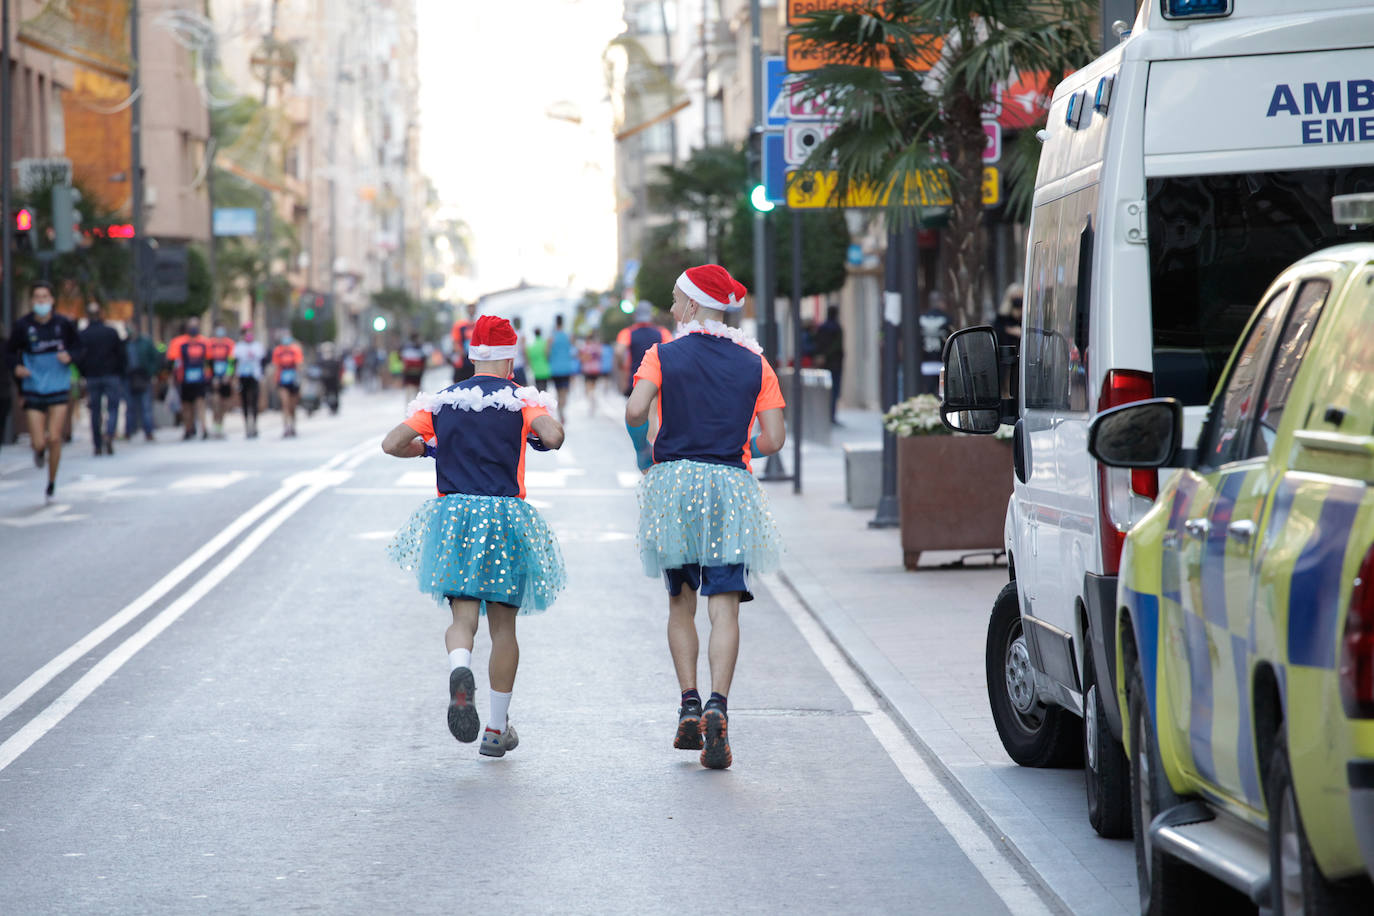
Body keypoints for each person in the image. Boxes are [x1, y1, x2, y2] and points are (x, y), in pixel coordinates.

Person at [625, 264, 787, 770]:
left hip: (675, 486)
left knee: (680, 603)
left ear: (693, 305)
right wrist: (741, 449)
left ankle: (689, 703)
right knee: (726, 607)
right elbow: (775, 439)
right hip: (729, 487)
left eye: (676, 300)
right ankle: (719, 704)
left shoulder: (662, 354)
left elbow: (634, 412)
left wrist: (646, 445)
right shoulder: (755, 363)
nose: (672, 310)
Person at [383, 315, 567, 758]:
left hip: (456, 518)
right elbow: (554, 436)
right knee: (504, 627)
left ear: (471, 355)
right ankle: (495, 730)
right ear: (509, 356)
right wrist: (535, 435)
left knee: (462, 619)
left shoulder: (444, 401)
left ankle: (459, 667)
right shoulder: (520, 399)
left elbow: (392, 443)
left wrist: (428, 447)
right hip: (505, 519)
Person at [5, 281, 81, 503]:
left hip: (58, 385)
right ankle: (39, 453)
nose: (41, 301)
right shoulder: (23, 326)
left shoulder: (63, 324)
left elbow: (79, 348)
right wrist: (16, 367)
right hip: (34, 387)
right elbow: (9, 352)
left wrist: (70, 357)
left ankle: (51, 482)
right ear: (32, 301)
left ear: (52, 300)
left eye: (45, 297)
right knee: (39, 441)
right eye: (37, 297)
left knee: (55, 437)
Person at [77, 301, 127, 456]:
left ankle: (97, 444)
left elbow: (79, 357)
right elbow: (121, 355)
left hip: (92, 376)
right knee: (113, 408)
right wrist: (120, 372)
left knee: (95, 411)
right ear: (101, 314)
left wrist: (84, 372)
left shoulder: (83, 334)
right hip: (111, 375)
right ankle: (110, 435)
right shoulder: (111, 332)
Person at [165, 319, 211, 440]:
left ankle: (204, 428)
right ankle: (188, 428)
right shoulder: (178, 342)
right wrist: (173, 378)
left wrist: (209, 377)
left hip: (200, 380)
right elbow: (173, 362)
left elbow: (210, 361)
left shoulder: (205, 342)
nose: (193, 328)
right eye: (191, 326)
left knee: (200, 404)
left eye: (195, 326)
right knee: (186, 406)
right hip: (184, 380)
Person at [616, 301, 672, 396]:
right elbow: (671, 353)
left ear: (635, 315)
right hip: (656, 381)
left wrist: (622, 367)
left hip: (634, 380)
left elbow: (618, 352)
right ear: (651, 315)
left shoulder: (627, 333)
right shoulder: (663, 332)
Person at [123, 321, 160, 441]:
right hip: (129, 377)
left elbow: (155, 358)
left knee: (146, 406)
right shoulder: (124, 344)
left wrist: (151, 372)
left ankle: (148, 432)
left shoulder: (145, 342)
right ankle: (129, 431)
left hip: (143, 376)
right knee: (130, 406)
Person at [813, 305, 845, 425]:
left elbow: (816, 343)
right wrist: (826, 355)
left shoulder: (822, 327)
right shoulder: (837, 328)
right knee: (834, 391)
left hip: (824, 364)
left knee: (823, 391)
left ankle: (824, 416)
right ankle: (830, 416)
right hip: (835, 364)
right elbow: (837, 346)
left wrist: (820, 356)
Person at [917, 290, 953, 396]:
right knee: (943, 394)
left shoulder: (921, 318)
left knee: (928, 392)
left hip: (925, 361)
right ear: (941, 302)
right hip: (942, 361)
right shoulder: (947, 319)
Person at [234, 324, 265, 438]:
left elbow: (262, 361)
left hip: (254, 376)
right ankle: (247, 425)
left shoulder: (257, 346)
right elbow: (234, 362)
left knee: (254, 400)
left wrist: (262, 376)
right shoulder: (238, 347)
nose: (249, 335)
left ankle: (255, 425)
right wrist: (234, 377)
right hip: (243, 377)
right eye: (246, 333)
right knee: (245, 402)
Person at [271, 333, 305, 437]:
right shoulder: (278, 351)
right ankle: (286, 427)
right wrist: (275, 380)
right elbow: (275, 366)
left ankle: (293, 425)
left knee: (292, 406)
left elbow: (299, 365)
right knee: (285, 403)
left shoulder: (295, 350)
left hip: (293, 380)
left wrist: (299, 379)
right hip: (282, 381)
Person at [206, 325, 237, 438]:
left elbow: (231, 362)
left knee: (224, 402)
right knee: (215, 401)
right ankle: (215, 423)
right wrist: (211, 376)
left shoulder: (229, 344)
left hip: (225, 378)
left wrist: (228, 375)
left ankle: (220, 424)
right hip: (214, 377)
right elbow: (208, 362)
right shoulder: (210, 344)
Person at [545, 315, 577, 423]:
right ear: (563, 322)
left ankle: (560, 411)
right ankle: (562, 409)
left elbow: (547, 353)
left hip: (555, 369)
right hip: (566, 368)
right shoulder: (568, 336)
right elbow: (574, 351)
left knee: (558, 392)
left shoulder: (551, 337)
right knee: (564, 392)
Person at [450, 303, 477, 384]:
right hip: (463, 362)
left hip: (476, 362)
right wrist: (460, 352)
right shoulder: (459, 325)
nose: (471, 310)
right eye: (470, 308)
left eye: (473, 308)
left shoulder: (478, 324)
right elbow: (455, 342)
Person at [578, 334, 603, 415]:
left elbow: (582, 358)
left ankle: (591, 402)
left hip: (588, 370)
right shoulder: (597, 347)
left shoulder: (585, 347)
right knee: (593, 387)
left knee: (588, 388)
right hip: (596, 369)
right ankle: (593, 400)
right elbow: (600, 357)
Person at [994, 282, 1024, 351]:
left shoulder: (1025, 319)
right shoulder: (1002, 317)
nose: (1018, 302)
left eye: (1020, 298)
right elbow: (998, 335)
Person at [399, 333, 426, 405]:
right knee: (418, 396)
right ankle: (417, 411)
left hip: (409, 376)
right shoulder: (419, 348)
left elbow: (402, 359)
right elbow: (423, 361)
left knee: (409, 396)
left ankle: (409, 412)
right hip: (416, 376)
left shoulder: (405, 348)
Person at [526, 327, 551, 392]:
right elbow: (548, 355)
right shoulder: (545, 343)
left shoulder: (532, 346)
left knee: (539, 392)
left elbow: (529, 358)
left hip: (536, 372)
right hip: (545, 371)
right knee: (545, 392)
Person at [510, 317, 529, 386]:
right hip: (520, 364)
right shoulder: (521, 334)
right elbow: (524, 350)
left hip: (513, 366)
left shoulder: (511, 334)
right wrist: (527, 361)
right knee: (524, 388)